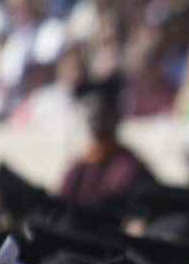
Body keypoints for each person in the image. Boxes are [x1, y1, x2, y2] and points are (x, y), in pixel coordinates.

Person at [54, 79, 154, 211]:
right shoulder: (78, 168)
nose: (96, 120)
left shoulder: (129, 167)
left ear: (116, 117)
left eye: (103, 115)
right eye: (92, 115)